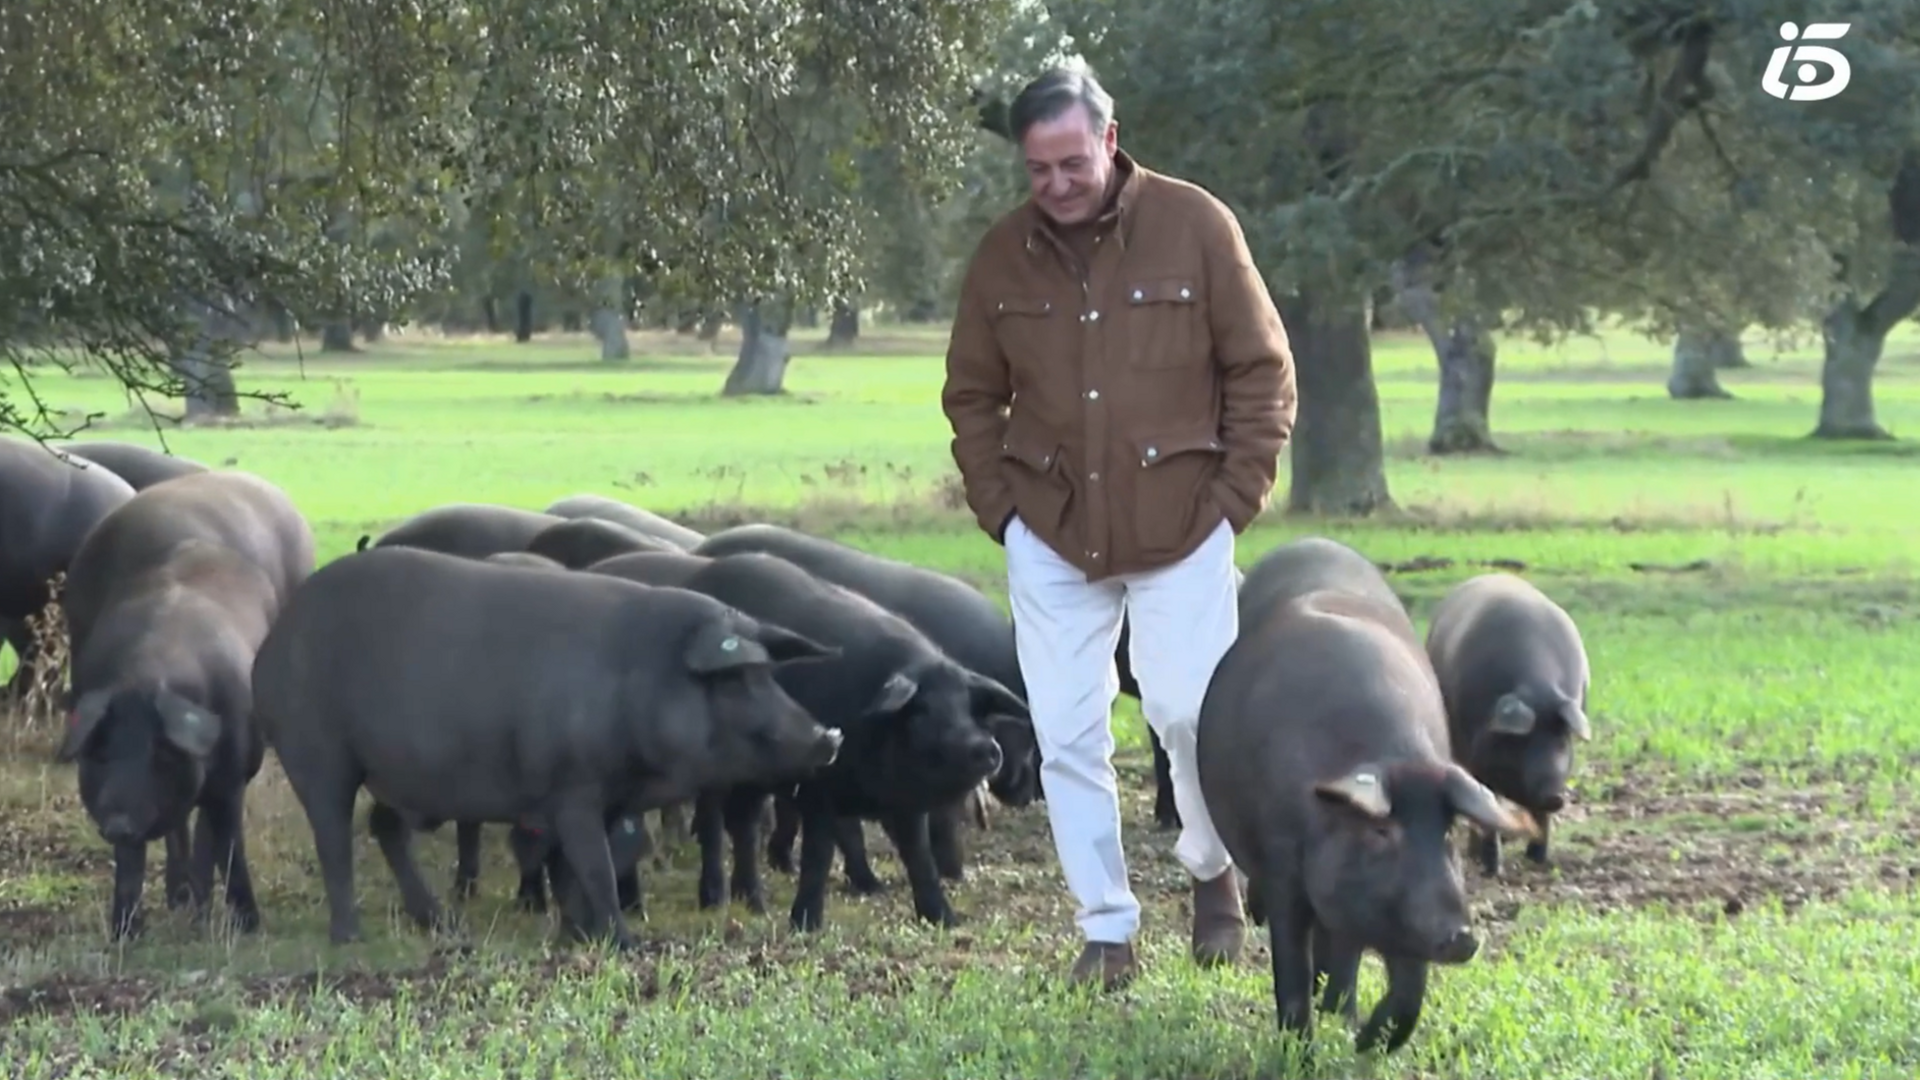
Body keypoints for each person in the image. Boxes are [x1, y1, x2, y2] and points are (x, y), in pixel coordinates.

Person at [940, 66, 1298, 991]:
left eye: (1070, 162)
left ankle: (1214, 873)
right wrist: (1002, 509)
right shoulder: (999, 258)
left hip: (1182, 521)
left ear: (1108, 139)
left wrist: (1235, 497)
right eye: (1036, 170)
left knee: (1185, 712)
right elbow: (973, 393)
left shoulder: (1198, 227)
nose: (1056, 184)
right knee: (1066, 732)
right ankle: (1106, 928)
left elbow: (1262, 370)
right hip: (1051, 526)